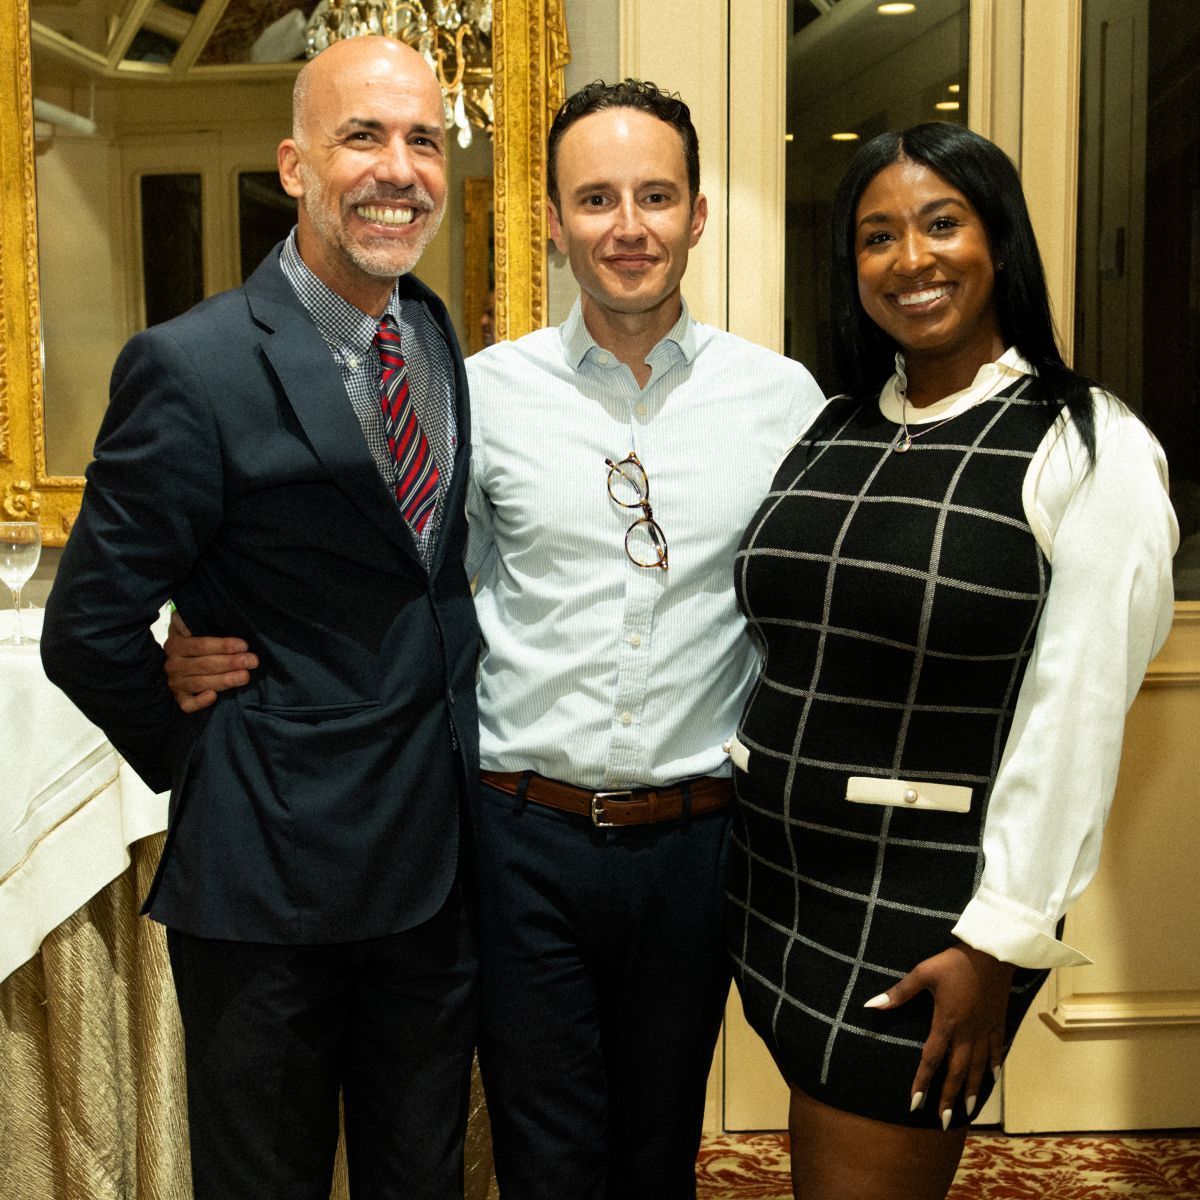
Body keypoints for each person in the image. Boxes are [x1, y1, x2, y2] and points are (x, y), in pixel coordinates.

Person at [163, 78, 827, 1199]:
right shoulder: (479, 393)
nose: (629, 227)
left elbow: (814, 611)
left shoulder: (784, 402)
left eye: (657, 197)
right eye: (598, 200)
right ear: (557, 225)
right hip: (519, 843)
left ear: (698, 215)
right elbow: (402, 584)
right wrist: (209, 631)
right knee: (543, 1155)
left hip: (698, 846)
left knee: (659, 1152)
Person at [40, 37, 481, 1200]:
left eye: (423, 140)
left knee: (421, 1179)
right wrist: (211, 744)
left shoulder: (434, 332)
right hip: (267, 895)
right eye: (362, 137)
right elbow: (85, 628)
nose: (399, 169)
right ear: (293, 165)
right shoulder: (192, 366)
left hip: (434, 874)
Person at [725, 122, 1178, 1200]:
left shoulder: (1090, 445)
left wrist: (1002, 941)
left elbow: (1078, 711)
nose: (911, 259)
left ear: (999, 241)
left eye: (942, 223)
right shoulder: (834, 425)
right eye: (878, 236)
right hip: (777, 890)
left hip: (929, 914)